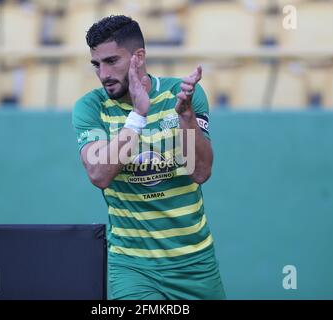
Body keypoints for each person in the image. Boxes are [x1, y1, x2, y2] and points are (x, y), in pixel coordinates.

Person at [72, 15, 225, 300]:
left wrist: (186, 117)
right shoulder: (90, 107)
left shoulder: (181, 95)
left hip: (195, 264)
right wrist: (137, 116)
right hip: (132, 267)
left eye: (111, 61)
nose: (103, 73)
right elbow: (99, 175)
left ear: (138, 57)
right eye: (96, 64)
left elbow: (201, 172)